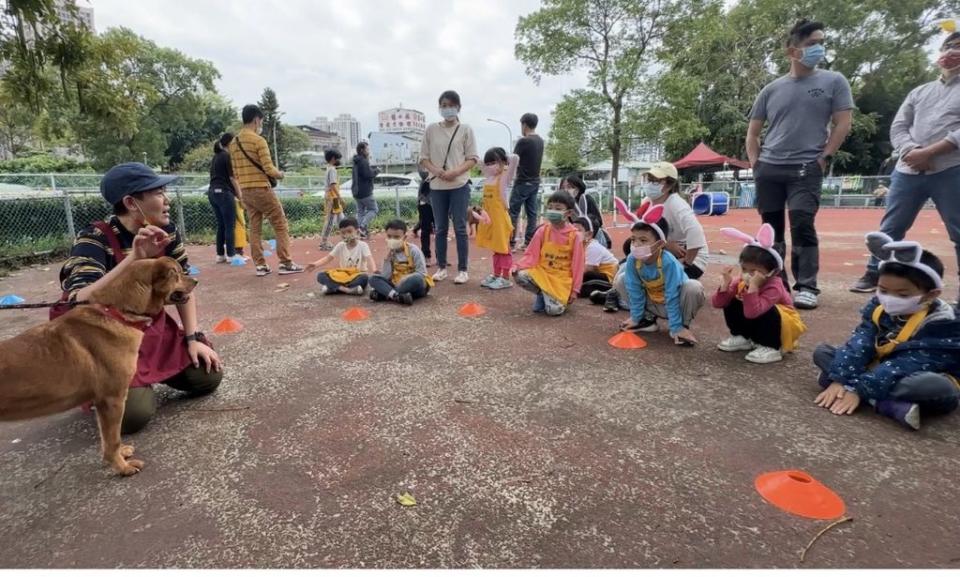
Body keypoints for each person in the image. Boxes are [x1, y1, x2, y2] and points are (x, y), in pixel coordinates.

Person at [55, 163, 223, 434]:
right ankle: (96, 383)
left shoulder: (165, 235)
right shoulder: (94, 238)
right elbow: (77, 298)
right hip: (105, 340)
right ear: (132, 203)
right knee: (133, 416)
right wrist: (135, 258)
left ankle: (143, 375)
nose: (166, 200)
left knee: (207, 376)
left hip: (145, 332)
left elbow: (183, 290)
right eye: (158, 193)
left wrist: (193, 339)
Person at [746, 19, 854, 310]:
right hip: (769, 167)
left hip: (806, 168)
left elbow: (843, 123)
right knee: (771, 228)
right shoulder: (771, 90)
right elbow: (753, 133)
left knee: (803, 223)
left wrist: (824, 156)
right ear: (792, 51)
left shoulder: (833, 82)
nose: (818, 48)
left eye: (820, 42)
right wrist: (756, 163)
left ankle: (806, 285)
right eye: (811, 44)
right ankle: (776, 281)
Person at [850, 32, 960, 295]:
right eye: (949, 46)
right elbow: (899, 126)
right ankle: (875, 272)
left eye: (958, 47)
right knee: (891, 227)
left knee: (958, 229)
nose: (952, 52)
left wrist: (932, 152)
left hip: (951, 169)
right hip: (908, 169)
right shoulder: (920, 91)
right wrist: (911, 150)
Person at [814, 232, 960, 430]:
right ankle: (884, 403)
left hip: (914, 374)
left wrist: (859, 388)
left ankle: (869, 395)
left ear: (931, 295)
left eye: (902, 294)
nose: (889, 298)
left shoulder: (942, 324)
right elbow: (860, 342)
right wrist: (841, 378)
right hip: (881, 371)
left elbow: (910, 363)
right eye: (883, 290)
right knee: (822, 353)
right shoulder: (877, 308)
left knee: (929, 387)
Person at [712, 224, 807, 364]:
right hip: (757, 321)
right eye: (744, 269)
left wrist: (754, 287)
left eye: (754, 271)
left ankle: (771, 346)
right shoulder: (742, 280)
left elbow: (753, 312)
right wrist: (725, 285)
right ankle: (743, 337)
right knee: (732, 300)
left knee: (769, 309)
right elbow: (718, 303)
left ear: (772, 272)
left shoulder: (775, 286)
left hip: (782, 328)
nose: (748, 274)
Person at [229, 104, 304, 277]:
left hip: (246, 190)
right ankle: (285, 262)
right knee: (280, 223)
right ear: (256, 120)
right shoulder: (258, 140)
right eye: (261, 121)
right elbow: (269, 169)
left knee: (254, 228)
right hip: (262, 188)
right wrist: (281, 174)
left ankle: (260, 266)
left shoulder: (234, 143)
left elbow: (235, 171)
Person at [618, 205, 705, 346]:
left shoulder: (669, 262)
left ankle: (681, 327)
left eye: (643, 240)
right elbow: (634, 290)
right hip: (653, 302)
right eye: (633, 239)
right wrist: (635, 317)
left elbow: (672, 294)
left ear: (659, 244)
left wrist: (675, 326)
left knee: (694, 287)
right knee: (621, 279)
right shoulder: (632, 260)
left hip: (676, 303)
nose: (636, 245)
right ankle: (645, 320)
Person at [419, 90, 479, 285]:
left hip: (459, 185)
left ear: (458, 107)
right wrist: (437, 171)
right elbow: (423, 158)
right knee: (441, 228)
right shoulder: (431, 129)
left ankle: (463, 270)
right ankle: (442, 267)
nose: (447, 109)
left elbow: (472, 159)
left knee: (460, 227)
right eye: (443, 105)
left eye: (451, 105)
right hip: (437, 185)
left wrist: (455, 172)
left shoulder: (466, 129)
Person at [513, 190, 584, 316]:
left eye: (558, 208)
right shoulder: (543, 231)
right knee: (520, 275)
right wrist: (518, 266)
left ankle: (554, 298)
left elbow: (578, 265)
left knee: (553, 312)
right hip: (543, 274)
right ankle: (543, 294)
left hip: (561, 279)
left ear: (568, 213)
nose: (552, 211)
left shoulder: (575, 236)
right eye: (550, 207)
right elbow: (531, 254)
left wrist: (575, 290)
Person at [639, 162, 709, 280]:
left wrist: (686, 263)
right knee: (630, 259)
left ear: (669, 185)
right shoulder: (647, 202)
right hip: (664, 253)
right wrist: (666, 245)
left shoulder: (676, 204)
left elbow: (696, 232)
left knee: (654, 279)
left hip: (693, 260)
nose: (650, 184)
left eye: (656, 181)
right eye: (649, 179)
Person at [476, 147, 519, 290]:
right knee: (496, 249)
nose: (490, 166)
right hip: (489, 220)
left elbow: (515, 159)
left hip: (500, 220)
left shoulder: (504, 178)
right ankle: (496, 274)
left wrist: (503, 156)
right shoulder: (489, 178)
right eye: (488, 164)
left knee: (504, 249)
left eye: (494, 162)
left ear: (502, 162)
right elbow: (479, 162)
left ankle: (506, 277)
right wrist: (487, 160)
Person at [307, 217, 377, 296]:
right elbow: (328, 258)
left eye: (349, 231)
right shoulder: (340, 245)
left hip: (357, 275)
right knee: (320, 275)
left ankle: (334, 288)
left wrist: (374, 269)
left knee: (364, 278)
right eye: (343, 233)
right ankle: (347, 290)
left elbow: (369, 258)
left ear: (357, 232)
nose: (346, 235)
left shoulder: (363, 245)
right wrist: (315, 264)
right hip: (343, 275)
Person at [369, 219, 433, 305]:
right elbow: (385, 276)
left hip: (413, 285)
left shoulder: (414, 250)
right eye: (389, 236)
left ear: (404, 237)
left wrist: (406, 278)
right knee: (373, 279)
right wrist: (387, 259)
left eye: (396, 237)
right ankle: (397, 296)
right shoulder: (389, 252)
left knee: (417, 279)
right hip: (396, 284)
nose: (392, 240)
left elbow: (422, 273)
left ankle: (386, 294)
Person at [509, 113, 545, 252]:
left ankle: (510, 243)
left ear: (524, 124)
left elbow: (513, 160)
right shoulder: (540, 141)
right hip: (535, 181)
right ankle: (528, 242)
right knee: (532, 213)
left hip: (522, 181)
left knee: (513, 212)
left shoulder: (523, 141)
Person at [208, 132, 242, 263]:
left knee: (221, 225)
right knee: (230, 225)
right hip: (224, 193)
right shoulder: (227, 156)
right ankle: (231, 255)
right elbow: (232, 178)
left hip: (212, 192)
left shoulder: (216, 157)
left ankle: (220, 255)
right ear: (230, 143)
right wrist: (240, 195)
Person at [561, 175, 611, 249]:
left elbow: (598, 221)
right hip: (576, 239)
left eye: (570, 187)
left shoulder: (586, 199)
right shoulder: (565, 205)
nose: (566, 190)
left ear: (578, 188)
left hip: (593, 238)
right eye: (563, 188)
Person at [572, 216, 618, 297]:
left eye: (578, 230)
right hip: (596, 274)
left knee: (583, 282)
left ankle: (609, 292)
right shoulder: (579, 245)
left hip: (608, 278)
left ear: (589, 234)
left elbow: (587, 269)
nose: (574, 233)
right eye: (572, 230)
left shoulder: (593, 247)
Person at [351, 142, 380, 238]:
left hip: (356, 191)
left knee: (360, 212)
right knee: (374, 209)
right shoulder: (363, 161)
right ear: (362, 150)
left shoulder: (356, 161)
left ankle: (359, 232)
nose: (368, 151)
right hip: (365, 191)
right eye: (367, 149)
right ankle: (362, 227)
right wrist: (376, 171)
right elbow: (368, 175)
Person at [319, 149, 345, 251]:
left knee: (341, 218)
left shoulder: (329, 168)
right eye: (338, 158)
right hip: (332, 198)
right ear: (333, 158)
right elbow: (333, 185)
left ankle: (348, 236)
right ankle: (324, 242)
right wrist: (340, 198)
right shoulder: (332, 170)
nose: (339, 160)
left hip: (333, 197)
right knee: (330, 220)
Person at [412, 168, 435, 265]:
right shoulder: (424, 156)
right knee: (425, 229)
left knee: (441, 230)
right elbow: (423, 173)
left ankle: (441, 257)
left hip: (439, 200)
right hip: (425, 201)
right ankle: (426, 256)